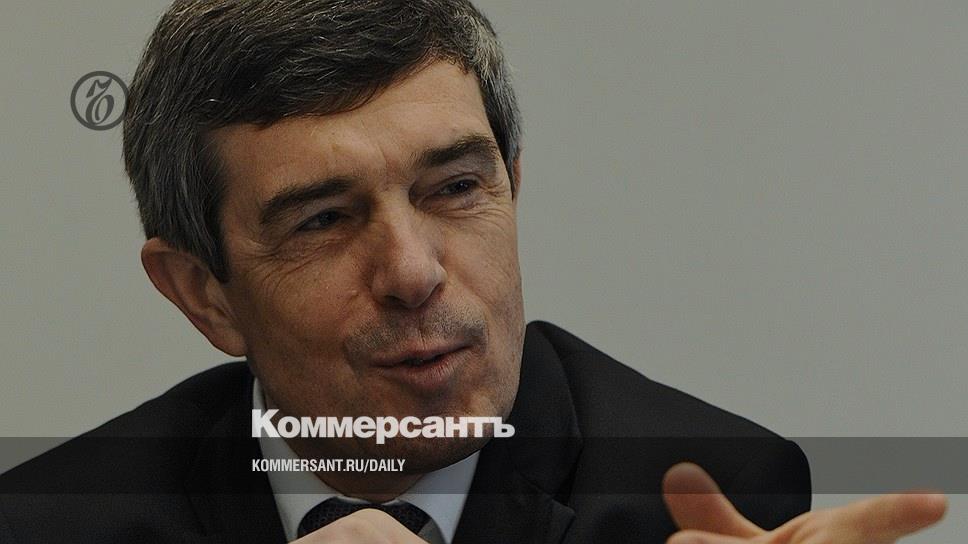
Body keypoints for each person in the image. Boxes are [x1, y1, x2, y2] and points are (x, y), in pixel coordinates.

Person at [0, 1, 946, 543]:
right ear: (204, 293)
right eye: (323, 220)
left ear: (511, 188)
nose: (413, 273)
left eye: (455, 188)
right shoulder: (51, 523)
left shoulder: (694, 497)